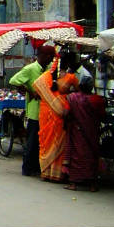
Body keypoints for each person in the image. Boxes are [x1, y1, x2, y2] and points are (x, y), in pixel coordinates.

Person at [9, 44, 56, 177]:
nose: (51, 60)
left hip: (47, 111)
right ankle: (27, 167)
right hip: (35, 111)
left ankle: (37, 166)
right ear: (45, 56)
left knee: (42, 141)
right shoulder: (30, 69)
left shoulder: (49, 69)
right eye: (50, 57)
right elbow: (14, 81)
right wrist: (30, 91)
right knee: (32, 140)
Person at [34, 50, 80, 182]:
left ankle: (45, 172)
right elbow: (79, 93)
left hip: (45, 114)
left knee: (45, 142)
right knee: (59, 144)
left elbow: (37, 91)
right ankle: (57, 174)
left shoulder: (46, 76)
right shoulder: (71, 78)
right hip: (61, 114)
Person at [64, 75, 104, 192]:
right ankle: (92, 184)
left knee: (76, 155)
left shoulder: (71, 97)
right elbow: (102, 115)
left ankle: (73, 183)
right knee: (91, 156)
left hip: (77, 131)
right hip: (92, 132)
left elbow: (66, 113)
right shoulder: (97, 100)